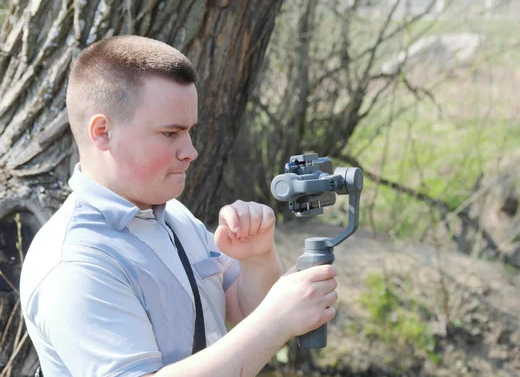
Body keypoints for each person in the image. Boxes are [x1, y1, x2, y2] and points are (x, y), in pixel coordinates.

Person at [19, 35, 338, 376]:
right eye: (170, 134)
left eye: (189, 132)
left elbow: (243, 312)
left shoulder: (172, 216)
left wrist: (257, 259)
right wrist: (277, 321)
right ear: (102, 132)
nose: (190, 151)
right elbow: (263, 324)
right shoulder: (75, 262)